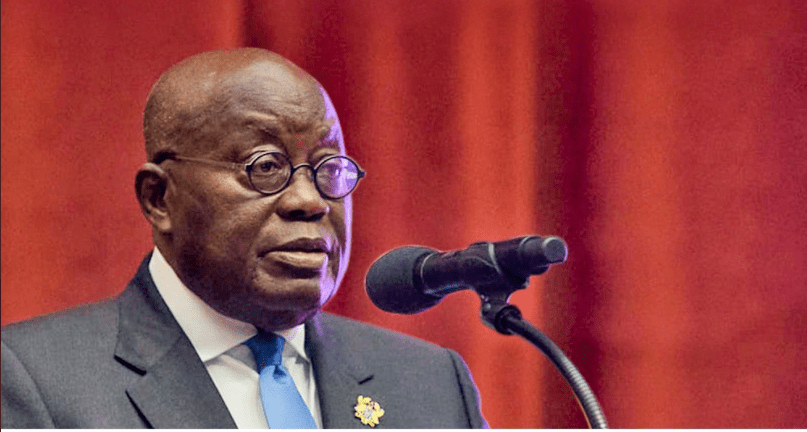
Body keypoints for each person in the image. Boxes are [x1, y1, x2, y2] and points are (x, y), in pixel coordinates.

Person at [1, 48, 487, 429]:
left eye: (328, 168)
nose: (311, 201)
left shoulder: (433, 384)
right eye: (266, 166)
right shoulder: (34, 380)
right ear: (159, 198)